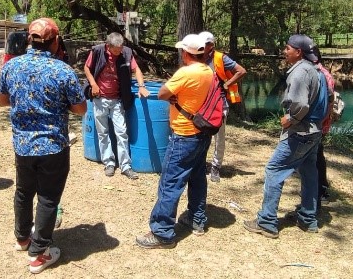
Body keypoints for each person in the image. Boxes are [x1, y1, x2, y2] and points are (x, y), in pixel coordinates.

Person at [0, 17, 86, 274]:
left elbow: (3, 101)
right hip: (52, 147)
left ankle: (23, 238)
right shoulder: (62, 71)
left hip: (23, 144)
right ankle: (39, 254)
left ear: (29, 39)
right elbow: (81, 109)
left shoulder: (11, 67)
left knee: (24, 192)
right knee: (48, 198)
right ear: (55, 41)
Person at [244, 34, 328, 239]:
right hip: (314, 131)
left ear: (298, 52)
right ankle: (308, 218)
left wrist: (290, 118)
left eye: (287, 48)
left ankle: (266, 222)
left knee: (274, 169)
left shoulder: (300, 73)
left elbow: (301, 104)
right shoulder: (316, 71)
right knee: (309, 172)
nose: (284, 51)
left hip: (300, 132)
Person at [135, 34, 214, 249]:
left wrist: (174, 93)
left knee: (170, 182)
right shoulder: (208, 70)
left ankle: (162, 232)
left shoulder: (186, 72)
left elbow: (162, 93)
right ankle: (197, 220)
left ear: (185, 52)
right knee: (197, 177)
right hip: (202, 133)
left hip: (184, 135)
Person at [83, 32, 149, 180]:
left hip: (118, 98)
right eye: (116, 50)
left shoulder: (126, 53)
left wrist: (141, 86)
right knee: (103, 132)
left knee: (121, 132)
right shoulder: (97, 51)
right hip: (100, 98)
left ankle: (125, 166)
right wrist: (93, 84)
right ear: (108, 46)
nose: (119, 52)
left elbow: (136, 69)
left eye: (121, 49)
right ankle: (109, 163)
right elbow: (86, 68)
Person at [198, 31, 247, 182]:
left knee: (219, 136)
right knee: (200, 134)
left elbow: (241, 71)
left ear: (211, 46)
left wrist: (226, 84)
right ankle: (200, 164)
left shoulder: (221, 58)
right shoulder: (196, 56)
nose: (201, 46)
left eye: (204, 44)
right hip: (201, 103)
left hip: (219, 103)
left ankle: (215, 167)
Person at [313, 46, 335, 202]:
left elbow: (330, 103)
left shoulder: (324, 75)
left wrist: (320, 123)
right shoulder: (315, 72)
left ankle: (322, 190)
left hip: (319, 124)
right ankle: (318, 189)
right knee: (315, 155)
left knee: (317, 156)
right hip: (317, 123)